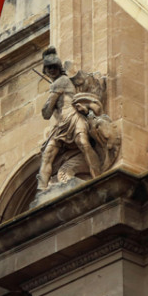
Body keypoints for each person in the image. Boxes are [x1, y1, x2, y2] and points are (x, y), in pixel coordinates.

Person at [37, 47, 102, 190]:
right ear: (45, 71)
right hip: (61, 125)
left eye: (54, 67)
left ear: (59, 68)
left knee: (83, 143)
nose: (51, 70)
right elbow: (47, 113)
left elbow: (46, 112)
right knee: (48, 154)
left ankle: (97, 175)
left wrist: (49, 103)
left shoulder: (61, 81)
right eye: (48, 68)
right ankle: (41, 189)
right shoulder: (56, 84)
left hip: (73, 118)